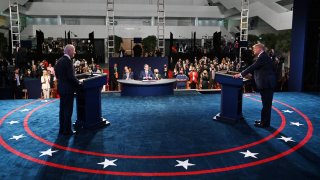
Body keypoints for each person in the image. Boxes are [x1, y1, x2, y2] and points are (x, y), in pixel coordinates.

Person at [234, 43, 276, 128]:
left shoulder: (263, 56)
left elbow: (253, 66)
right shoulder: (262, 56)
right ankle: (264, 121)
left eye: (254, 49)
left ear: (259, 49)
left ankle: (265, 123)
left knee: (266, 105)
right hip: (265, 84)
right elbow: (260, 69)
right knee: (265, 104)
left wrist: (241, 74)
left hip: (267, 84)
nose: (253, 50)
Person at [54, 44, 81, 135]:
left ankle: (62, 129)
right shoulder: (68, 61)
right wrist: (79, 83)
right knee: (68, 110)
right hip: (68, 90)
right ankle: (68, 130)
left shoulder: (59, 61)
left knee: (62, 110)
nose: (75, 52)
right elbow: (71, 77)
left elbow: (57, 75)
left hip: (61, 89)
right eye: (74, 50)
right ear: (69, 51)